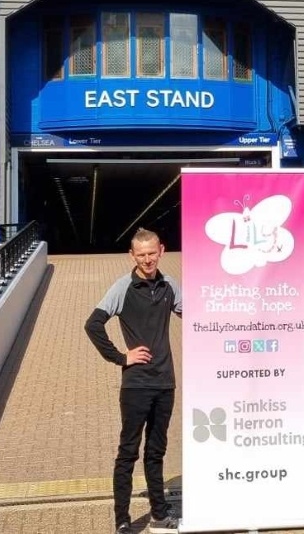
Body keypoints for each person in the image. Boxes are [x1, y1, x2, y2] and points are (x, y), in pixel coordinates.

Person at [86, 228, 182, 534]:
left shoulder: (170, 286)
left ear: (161, 250)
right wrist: (121, 356)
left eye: (152, 253)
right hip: (136, 385)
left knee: (156, 451)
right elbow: (93, 325)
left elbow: (197, 317)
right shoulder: (122, 287)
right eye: (141, 254)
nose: (148, 259)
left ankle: (159, 514)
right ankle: (122, 520)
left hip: (165, 382)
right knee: (128, 451)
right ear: (132, 255)